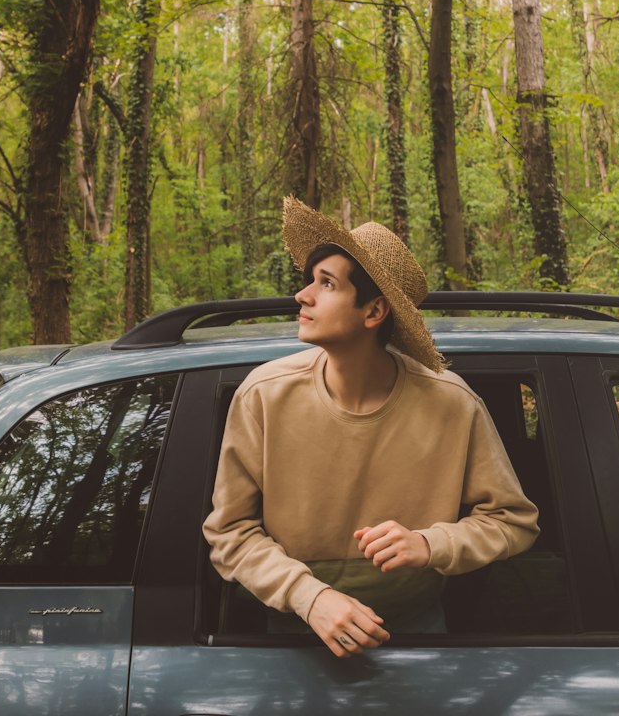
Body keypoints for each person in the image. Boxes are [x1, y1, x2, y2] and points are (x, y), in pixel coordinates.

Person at [202, 196, 539, 657]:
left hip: (419, 640)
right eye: (310, 282)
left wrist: (430, 543)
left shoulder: (452, 403)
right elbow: (230, 533)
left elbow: (514, 523)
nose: (303, 295)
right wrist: (310, 597)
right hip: (287, 643)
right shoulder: (263, 395)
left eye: (326, 283)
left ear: (374, 311)